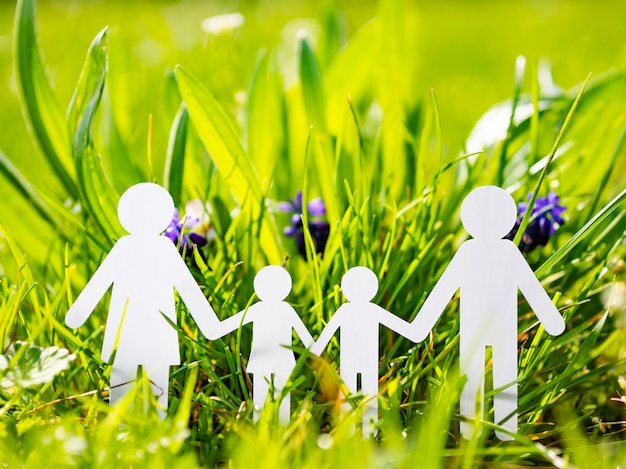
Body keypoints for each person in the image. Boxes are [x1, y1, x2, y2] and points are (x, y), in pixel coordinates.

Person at [413, 185, 566, 440]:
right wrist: (422, 324)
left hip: (502, 324)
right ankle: (472, 428)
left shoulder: (505, 252)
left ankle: (505, 428)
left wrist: (551, 319)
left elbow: (529, 286)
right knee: (474, 373)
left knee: (503, 370)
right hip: (475, 324)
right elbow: (445, 288)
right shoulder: (471, 251)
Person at [65, 183, 225, 418]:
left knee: (154, 375)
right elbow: (100, 281)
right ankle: (121, 423)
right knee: (124, 373)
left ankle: (154, 428)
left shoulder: (165, 248)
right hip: (128, 325)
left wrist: (209, 323)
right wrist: (78, 312)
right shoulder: (128, 247)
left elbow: (187, 286)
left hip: (155, 325)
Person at [312, 266, 421, 436]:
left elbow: (323, 339)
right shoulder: (357, 310)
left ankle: (357, 431)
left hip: (362, 361)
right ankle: (362, 431)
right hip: (358, 361)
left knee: (359, 392)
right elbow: (406, 329)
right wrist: (418, 331)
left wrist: (313, 349)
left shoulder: (350, 310)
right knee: (360, 392)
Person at [221, 265, 314, 424]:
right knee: (265, 399)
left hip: (273, 361)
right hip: (266, 360)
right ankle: (266, 429)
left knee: (278, 398)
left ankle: (274, 429)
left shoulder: (281, 309)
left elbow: (221, 328)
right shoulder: (278, 309)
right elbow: (309, 342)